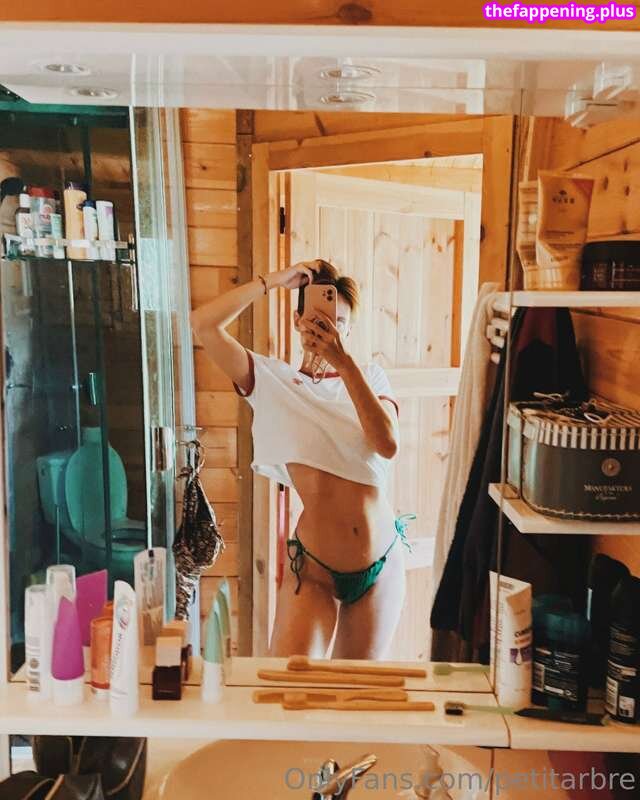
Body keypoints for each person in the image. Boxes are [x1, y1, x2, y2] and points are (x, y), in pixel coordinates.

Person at [191, 259, 407, 659]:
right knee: (289, 685)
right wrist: (273, 281)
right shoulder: (271, 381)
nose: (329, 328)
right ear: (297, 320)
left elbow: (387, 443)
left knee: (355, 691)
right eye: (319, 317)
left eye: (339, 322)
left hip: (381, 564)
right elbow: (203, 324)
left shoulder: (370, 377)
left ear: (349, 330)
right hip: (315, 569)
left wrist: (344, 363)